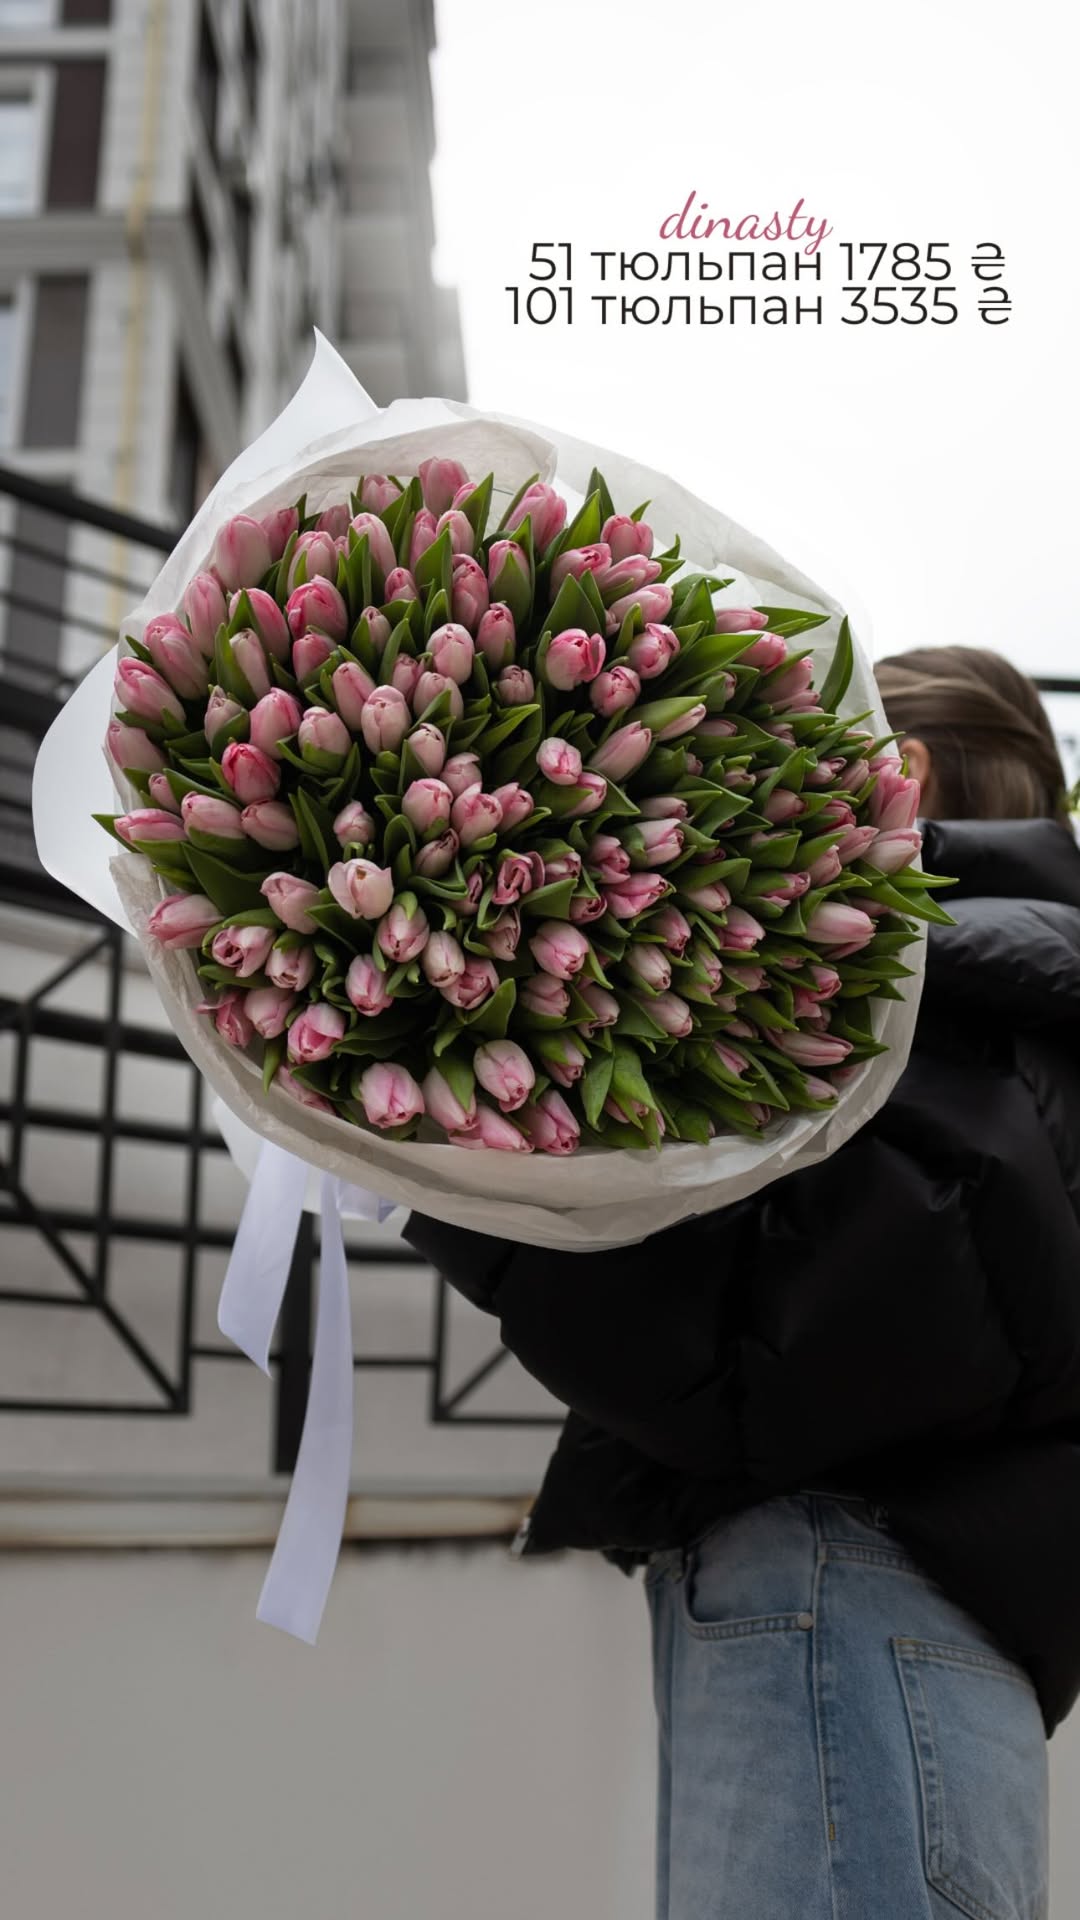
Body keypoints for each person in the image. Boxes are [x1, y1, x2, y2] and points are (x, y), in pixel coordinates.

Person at [403, 644, 1080, 1918]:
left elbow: (756, 1372)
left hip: (848, 1606)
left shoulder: (961, 1012)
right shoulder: (1012, 1001)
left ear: (906, 768)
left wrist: (466, 1156)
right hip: (887, 1633)